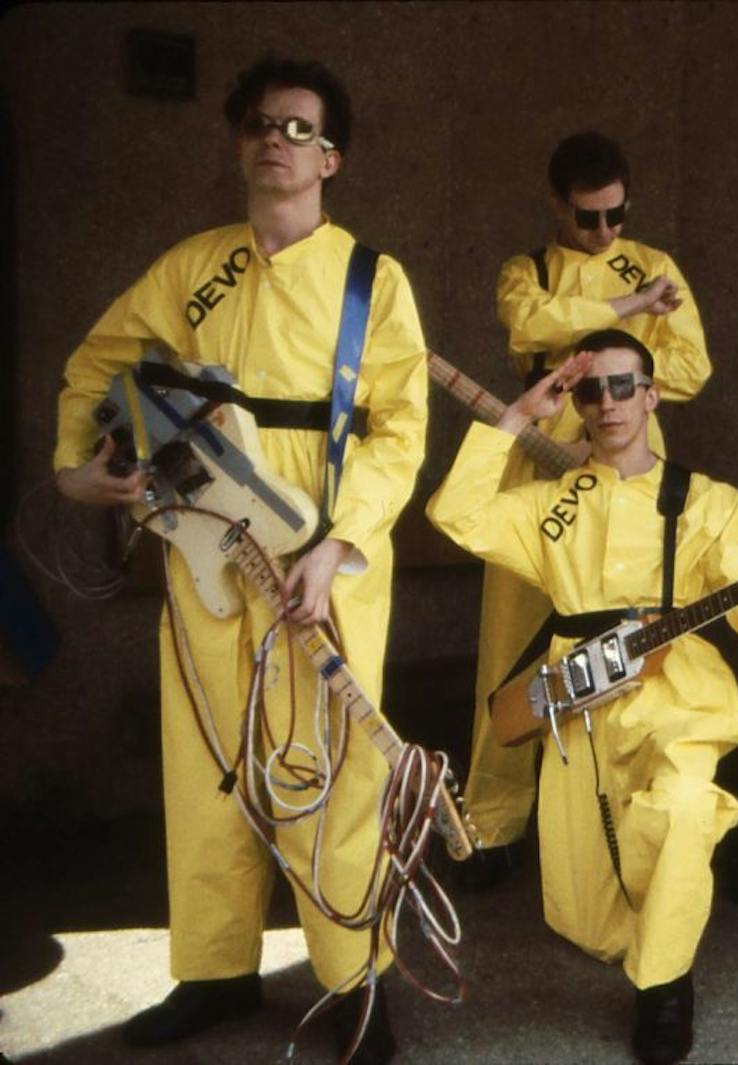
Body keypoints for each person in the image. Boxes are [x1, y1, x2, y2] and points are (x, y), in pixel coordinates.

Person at [52, 57, 428, 1064]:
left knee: (331, 766)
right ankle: (213, 973)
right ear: (239, 142)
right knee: (211, 755)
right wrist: (76, 469)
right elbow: (100, 361)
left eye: (300, 129)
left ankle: (355, 988)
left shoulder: (370, 280)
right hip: (206, 535)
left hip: (323, 551)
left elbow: (399, 425)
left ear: (331, 156)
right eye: (261, 124)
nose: (277, 139)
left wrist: (343, 539)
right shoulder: (192, 266)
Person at [427, 328, 738, 1064]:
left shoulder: (702, 499)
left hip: (675, 692)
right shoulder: (550, 501)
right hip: (575, 700)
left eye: (621, 386)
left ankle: (666, 990)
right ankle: (690, 881)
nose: (606, 404)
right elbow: (457, 514)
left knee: (680, 808)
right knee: (586, 909)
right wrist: (519, 415)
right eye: (589, 390)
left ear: (652, 395)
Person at [460, 132, 711, 887]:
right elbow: (527, 326)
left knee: (626, 623)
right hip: (542, 450)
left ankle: (620, 806)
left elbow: (694, 365)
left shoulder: (658, 262)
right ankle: (493, 825)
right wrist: (633, 309)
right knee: (513, 637)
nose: (605, 232)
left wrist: (621, 380)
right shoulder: (525, 269)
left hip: (626, 451)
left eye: (616, 215)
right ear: (556, 206)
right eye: (588, 218)